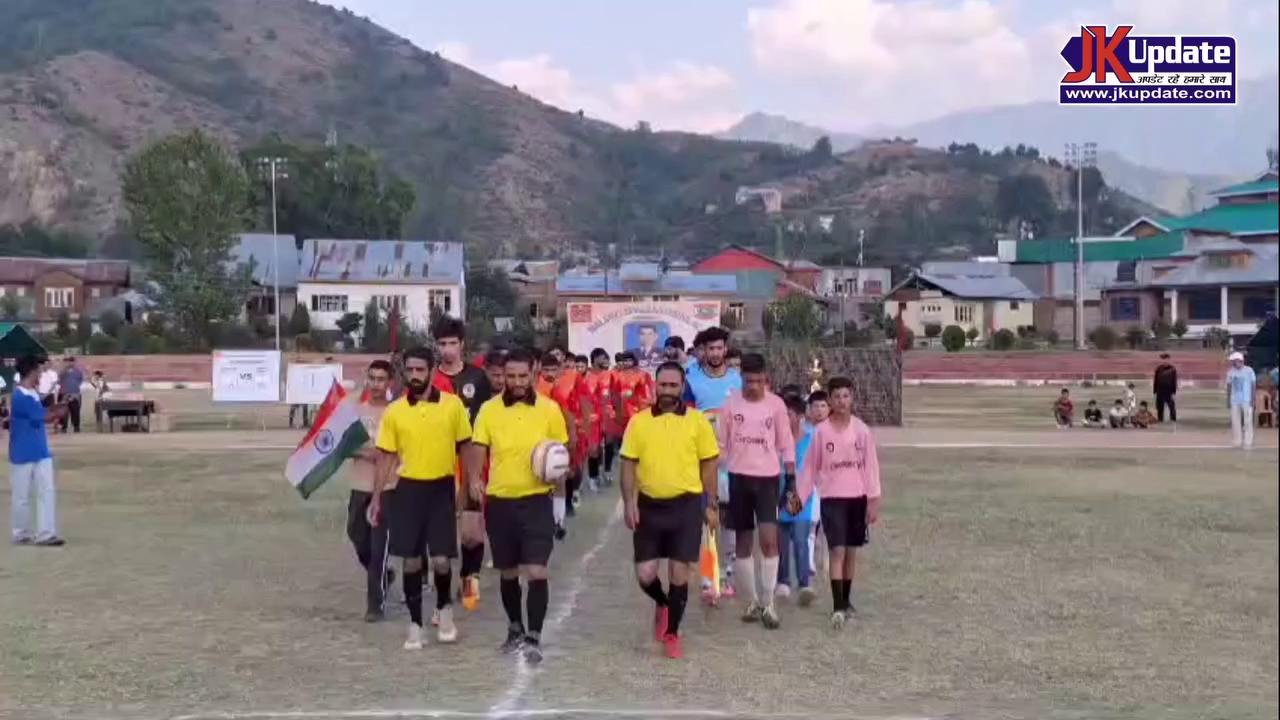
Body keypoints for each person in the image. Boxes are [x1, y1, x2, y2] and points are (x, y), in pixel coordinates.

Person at [466, 349, 569, 664]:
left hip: (537, 501)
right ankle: (515, 628)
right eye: (510, 376)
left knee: (537, 571)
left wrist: (560, 502)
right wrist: (473, 478)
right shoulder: (488, 410)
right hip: (499, 501)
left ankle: (534, 636)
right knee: (508, 572)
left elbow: (560, 455)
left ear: (534, 372)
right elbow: (478, 447)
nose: (516, 382)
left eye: (522, 376)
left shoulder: (550, 410)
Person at [370, 346, 472, 650]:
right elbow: (386, 457)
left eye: (420, 370)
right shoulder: (395, 411)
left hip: (441, 489)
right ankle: (415, 626)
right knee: (412, 562)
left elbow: (466, 448)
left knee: (441, 560)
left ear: (431, 371)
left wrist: (466, 488)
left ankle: (445, 610)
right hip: (407, 492)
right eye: (410, 370)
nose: (415, 376)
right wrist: (376, 497)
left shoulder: (453, 406)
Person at [620, 361, 720, 659]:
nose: (667, 391)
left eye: (673, 386)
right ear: (655, 385)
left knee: (680, 573)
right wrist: (629, 502)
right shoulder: (638, 422)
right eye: (662, 385)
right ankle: (662, 603)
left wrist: (711, 504)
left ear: (681, 387)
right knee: (645, 574)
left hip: (686, 506)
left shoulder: (697, 422)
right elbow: (628, 464)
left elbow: (710, 464)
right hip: (649, 506)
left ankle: (673, 632)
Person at [794, 376, 881, 629]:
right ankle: (837, 606)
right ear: (830, 400)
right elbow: (810, 468)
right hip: (832, 498)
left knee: (851, 552)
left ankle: (847, 599)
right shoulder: (821, 433)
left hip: (857, 498)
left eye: (846, 396)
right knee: (836, 551)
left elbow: (871, 468)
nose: (842, 401)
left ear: (851, 398)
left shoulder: (862, 430)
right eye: (837, 397)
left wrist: (873, 499)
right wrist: (799, 496)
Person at [718, 352, 796, 629]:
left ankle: (769, 602)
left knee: (769, 541)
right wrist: (721, 479)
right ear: (741, 379)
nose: (753, 386)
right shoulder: (730, 405)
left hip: (767, 480)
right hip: (739, 479)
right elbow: (721, 446)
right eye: (748, 381)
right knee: (742, 542)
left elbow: (786, 443)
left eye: (758, 381)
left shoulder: (776, 406)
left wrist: (792, 481)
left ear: (766, 380)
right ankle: (751, 601)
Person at [429, 318, 493, 613]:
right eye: (442, 344)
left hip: (470, 461)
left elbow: (487, 420)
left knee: (471, 532)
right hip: (438, 462)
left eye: (452, 343)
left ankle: (469, 580)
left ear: (462, 345)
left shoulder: (478, 379)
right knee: (441, 532)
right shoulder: (428, 380)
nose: (447, 350)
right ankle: (440, 583)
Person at [682, 327, 742, 598]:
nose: (716, 353)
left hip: (732, 463)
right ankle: (708, 575)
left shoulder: (737, 380)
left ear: (725, 349)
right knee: (707, 519)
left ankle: (728, 573)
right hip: (702, 462)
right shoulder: (691, 381)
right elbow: (684, 421)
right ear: (703, 351)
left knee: (729, 519)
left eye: (720, 348)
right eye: (711, 349)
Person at [344, 360, 396, 621]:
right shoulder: (355, 411)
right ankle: (384, 575)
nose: (376, 384)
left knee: (378, 548)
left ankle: (374, 606)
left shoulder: (396, 413)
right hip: (359, 485)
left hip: (387, 488)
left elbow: (398, 450)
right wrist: (369, 452)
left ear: (390, 383)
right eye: (372, 378)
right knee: (356, 535)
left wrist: (384, 455)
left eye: (381, 379)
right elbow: (342, 448)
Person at [8, 355, 63, 546]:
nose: (41, 374)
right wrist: (57, 412)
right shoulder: (19, 396)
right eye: (39, 371)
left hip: (40, 450)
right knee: (21, 495)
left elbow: (41, 413)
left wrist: (55, 408)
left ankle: (46, 533)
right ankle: (20, 532)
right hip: (23, 452)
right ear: (31, 372)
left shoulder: (31, 394)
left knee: (46, 491)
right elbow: (40, 417)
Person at [776, 395, 817, 606]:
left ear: (800, 416)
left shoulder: (811, 440)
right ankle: (782, 581)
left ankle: (804, 584)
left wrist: (802, 494)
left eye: (788, 414)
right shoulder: (777, 440)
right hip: (779, 497)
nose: (784, 418)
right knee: (781, 542)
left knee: (800, 540)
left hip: (801, 498)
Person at [584, 348, 618, 489]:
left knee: (609, 444)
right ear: (596, 359)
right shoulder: (586, 376)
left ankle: (608, 470)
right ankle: (593, 476)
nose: (605, 361)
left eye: (606, 358)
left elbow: (615, 394)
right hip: (593, 418)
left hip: (608, 416)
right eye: (603, 358)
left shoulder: (610, 375)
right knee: (594, 448)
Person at [1225, 351, 1256, 449]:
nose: (1234, 363)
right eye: (1233, 361)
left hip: (1246, 399)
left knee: (1247, 421)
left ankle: (1248, 441)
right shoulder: (1230, 372)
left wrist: (1252, 399)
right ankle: (1237, 441)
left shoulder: (1249, 370)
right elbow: (1229, 386)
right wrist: (1228, 400)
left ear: (1241, 360)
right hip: (1235, 400)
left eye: (1235, 361)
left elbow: (1253, 385)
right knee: (1235, 421)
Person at [57, 357, 85, 434]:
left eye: (72, 361)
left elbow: (81, 380)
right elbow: (59, 379)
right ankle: (64, 427)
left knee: (75, 411)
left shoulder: (78, 371)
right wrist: (65, 370)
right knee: (63, 411)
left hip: (75, 394)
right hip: (64, 393)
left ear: (74, 362)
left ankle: (76, 427)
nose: (70, 363)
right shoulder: (63, 371)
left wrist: (76, 387)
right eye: (69, 361)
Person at [1153, 353, 1178, 425]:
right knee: (1159, 407)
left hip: (1169, 391)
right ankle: (1160, 419)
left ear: (1169, 360)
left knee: (1171, 406)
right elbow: (1155, 380)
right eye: (1163, 359)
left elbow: (1174, 381)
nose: (1165, 361)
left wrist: (1173, 393)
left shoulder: (1173, 369)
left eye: (1166, 359)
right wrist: (1154, 392)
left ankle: (1173, 419)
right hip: (1160, 391)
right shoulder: (1158, 369)